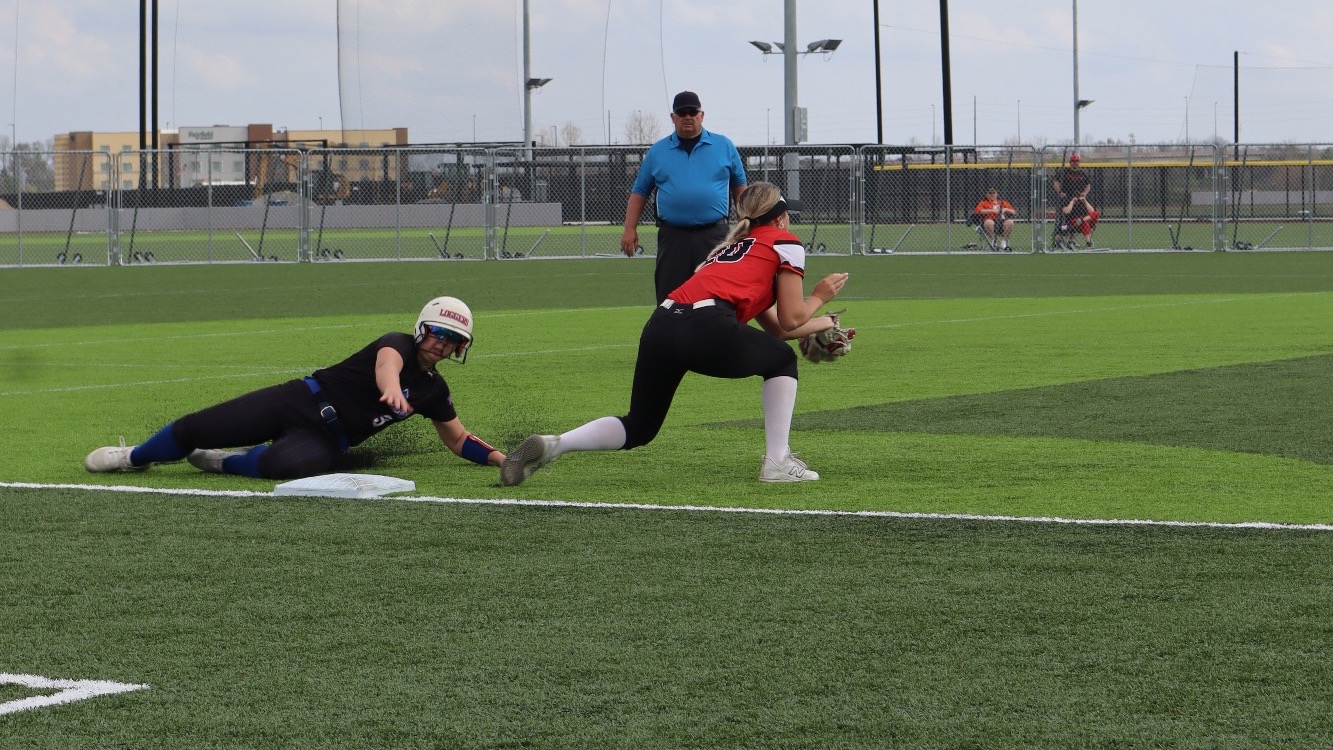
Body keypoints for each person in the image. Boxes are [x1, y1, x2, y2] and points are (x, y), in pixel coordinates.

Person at [505, 182, 848, 487]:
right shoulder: (785, 241)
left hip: (662, 323)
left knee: (640, 426)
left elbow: (777, 328)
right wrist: (820, 296)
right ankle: (778, 461)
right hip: (706, 324)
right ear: (780, 219)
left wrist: (823, 323)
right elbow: (791, 319)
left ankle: (554, 445)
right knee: (782, 360)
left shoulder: (731, 249)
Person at [83, 296, 505, 479]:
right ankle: (133, 457)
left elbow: (458, 439)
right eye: (437, 332)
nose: (441, 343)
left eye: (452, 339)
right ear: (421, 329)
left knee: (282, 466)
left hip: (328, 439)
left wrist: (504, 460)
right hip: (299, 399)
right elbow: (387, 366)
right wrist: (392, 389)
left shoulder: (434, 391)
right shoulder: (396, 343)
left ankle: (225, 462)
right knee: (195, 427)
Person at [620, 90, 748, 303]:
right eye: (681, 113)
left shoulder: (724, 146)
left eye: (692, 112)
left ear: (701, 115)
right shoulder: (658, 151)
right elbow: (639, 192)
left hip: (715, 236)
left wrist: (746, 225)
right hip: (673, 237)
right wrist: (629, 228)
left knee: (717, 298)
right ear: (673, 117)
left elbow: (740, 189)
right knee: (670, 299)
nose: (687, 117)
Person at [1052, 152, 1099, 247]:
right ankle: (1072, 240)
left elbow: (1088, 185)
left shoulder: (1082, 174)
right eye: (1073, 161)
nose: (1075, 163)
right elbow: (1055, 182)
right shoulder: (1064, 172)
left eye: (1077, 161)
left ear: (1079, 162)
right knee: (1072, 219)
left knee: (1092, 215)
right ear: (1070, 162)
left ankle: (1080, 223)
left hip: (1079, 201)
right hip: (1068, 199)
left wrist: (1084, 194)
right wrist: (1060, 192)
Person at [973, 187, 1016, 251]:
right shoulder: (983, 202)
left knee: (1010, 222)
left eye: (993, 193)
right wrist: (992, 211)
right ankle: (993, 242)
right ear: (986, 194)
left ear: (996, 194)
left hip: (1001, 222)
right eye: (990, 193)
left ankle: (1003, 243)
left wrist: (1005, 209)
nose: (992, 195)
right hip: (989, 223)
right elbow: (978, 211)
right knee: (989, 222)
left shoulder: (1002, 202)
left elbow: (1013, 212)